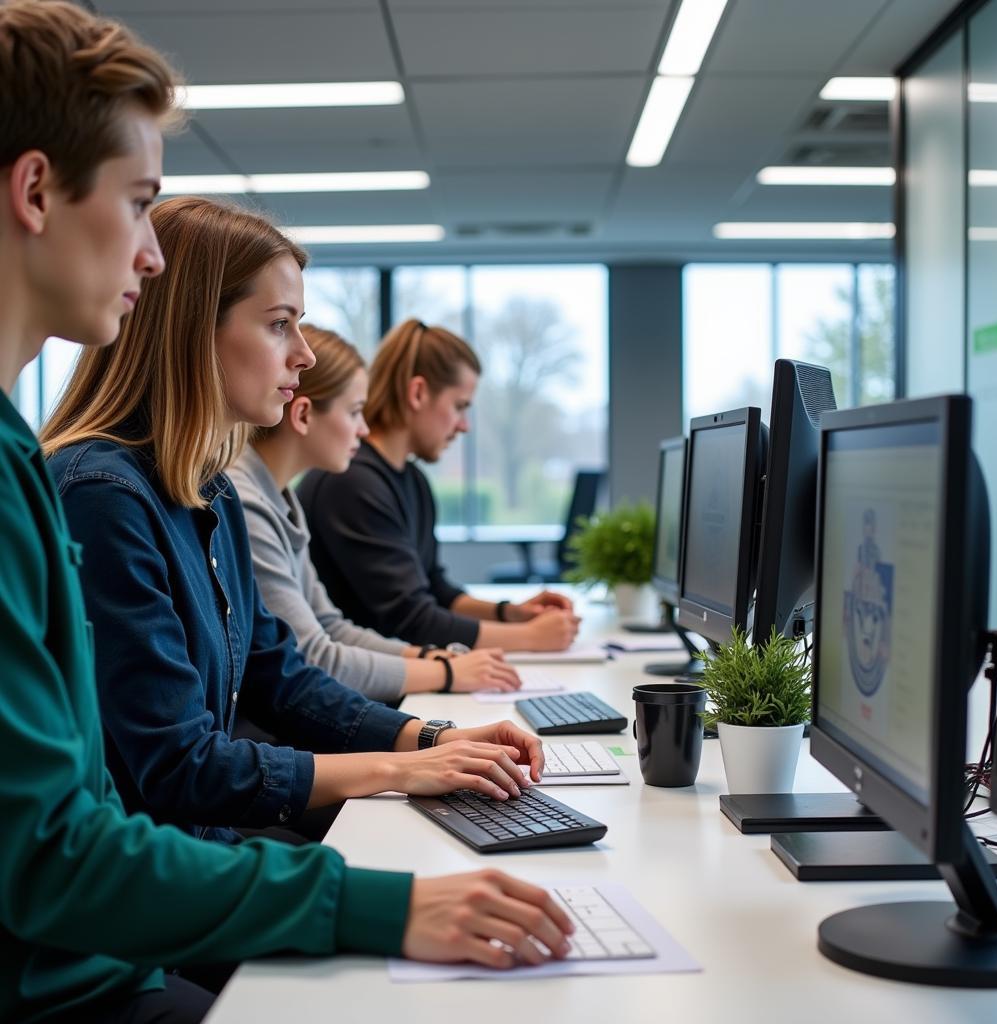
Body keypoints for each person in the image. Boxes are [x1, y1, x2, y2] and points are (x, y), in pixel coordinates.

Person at [0, 6, 570, 1020]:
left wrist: (419, 741)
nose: (152, 255)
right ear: (37, 190)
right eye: (138, 206)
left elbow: (275, 666)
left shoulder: (180, 485)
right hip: (76, 971)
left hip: (112, 938)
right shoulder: (86, 490)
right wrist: (382, 870)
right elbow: (101, 817)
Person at [42, 195, 551, 848]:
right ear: (194, 330)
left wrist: (437, 738)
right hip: (158, 880)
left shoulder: (210, 489)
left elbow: (279, 675)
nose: (305, 355)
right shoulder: (103, 496)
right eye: (280, 324)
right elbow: (181, 766)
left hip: (207, 844)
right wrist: (404, 767)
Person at [229, 322, 523, 701]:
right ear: (302, 416)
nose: (364, 429)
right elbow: (316, 657)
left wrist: (433, 658)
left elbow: (331, 627)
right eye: (354, 412)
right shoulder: (250, 501)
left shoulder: (281, 497)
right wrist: (446, 669)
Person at [298, 318, 582, 650]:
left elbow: (434, 588)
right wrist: (531, 638)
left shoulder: (411, 479)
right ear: (418, 392)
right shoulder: (351, 481)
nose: (464, 426)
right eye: (459, 406)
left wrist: (511, 614)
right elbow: (413, 620)